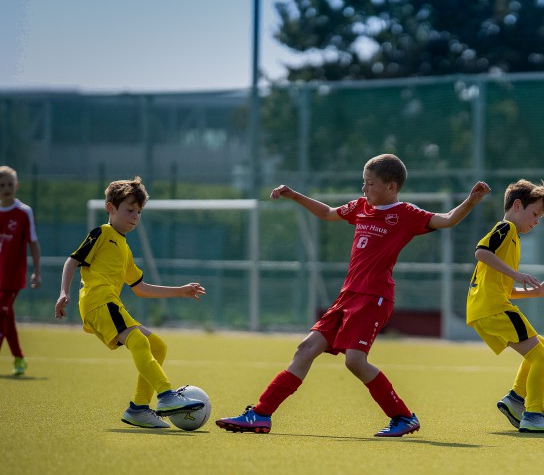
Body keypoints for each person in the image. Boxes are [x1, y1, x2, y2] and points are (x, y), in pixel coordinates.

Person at [216, 154, 490, 437]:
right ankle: (261, 414)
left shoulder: (406, 214)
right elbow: (327, 213)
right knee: (306, 349)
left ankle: (404, 417)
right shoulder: (360, 207)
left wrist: (470, 202)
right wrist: (295, 195)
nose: (364, 189)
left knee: (355, 361)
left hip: (374, 297)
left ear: (391, 187)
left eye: (370, 184)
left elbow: (445, 219)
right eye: (364, 183)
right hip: (347, 296)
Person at [54, 177, 207, 428]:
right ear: (110, 208)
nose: (134, 216)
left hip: (110, 304)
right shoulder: (101, 233)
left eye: (138, 212)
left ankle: (138, 409)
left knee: (157, 346)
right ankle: (167, 395)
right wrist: (63, 292)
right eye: (129, 210)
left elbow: (141, 288)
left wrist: (180, 291)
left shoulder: (124, 248)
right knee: (137, 340)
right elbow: (72, 260)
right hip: (98, 301)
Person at [469, 179, 544, 433]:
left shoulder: (512, 238)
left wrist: (538, 292)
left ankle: (515, 400)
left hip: (487, 308)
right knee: (541, 356)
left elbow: (505, 289)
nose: (536, 221)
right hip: (493, 308)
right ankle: (533, 414)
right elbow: (481, 251)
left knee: (542, 347)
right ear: (517, 205)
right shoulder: (506, 228)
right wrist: (516, 273)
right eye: (534, 214)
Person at [0, 166, 41, 376]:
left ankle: (17, 358)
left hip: (13, 276)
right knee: (6, 317)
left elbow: (33, 242)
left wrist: (36, 271)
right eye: (2, 185)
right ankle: (19, 358)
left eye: (9, 184)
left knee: (1, 313)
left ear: (16, 186)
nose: (6, 188)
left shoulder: (24, 212)